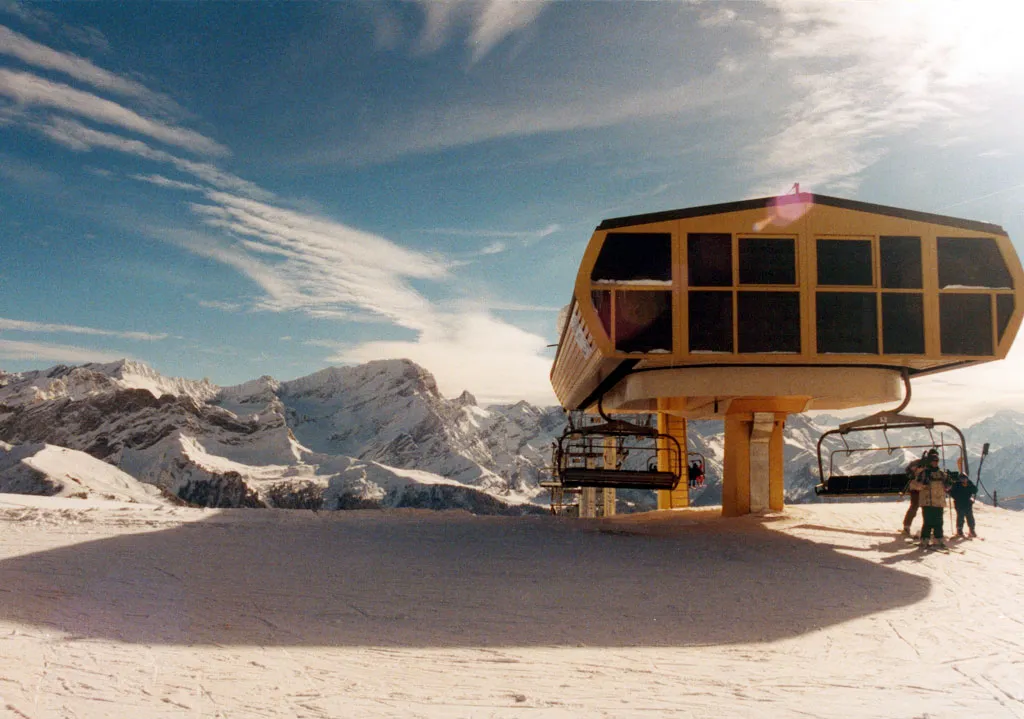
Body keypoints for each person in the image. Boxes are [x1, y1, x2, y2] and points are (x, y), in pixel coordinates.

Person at [908, 448, 951, 549]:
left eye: (937, 461)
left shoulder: (942, 474)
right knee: (928, 521)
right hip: (927, 501)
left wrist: (948, 485)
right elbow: (913, 484)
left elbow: (948, 487)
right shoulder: (924, 473)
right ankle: (925, 539)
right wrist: (922, 485)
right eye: (933, 461)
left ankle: (938, 539)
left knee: (939, 522)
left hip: (939, 501)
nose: (935, 463)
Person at [901, 451, 927, 536]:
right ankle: (907, 526)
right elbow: (908, 472)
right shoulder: (916, 464)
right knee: (915, 506)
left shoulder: (929, 466)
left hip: (923, 489)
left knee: (925, 508)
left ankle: (927, 527)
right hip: (916, 488)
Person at [947, 471, 978, 538]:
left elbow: (975, 491)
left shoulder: (969, 483)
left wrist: (971, 486)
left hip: (967, 503)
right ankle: (959, 530)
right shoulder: (957, 484)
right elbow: (952, 493)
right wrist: (956, 497)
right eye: (962, 479)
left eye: (965, 478)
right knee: (961, 516)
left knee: (970, 517)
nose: (964, 480)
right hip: (959, 503)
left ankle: (972, 529)